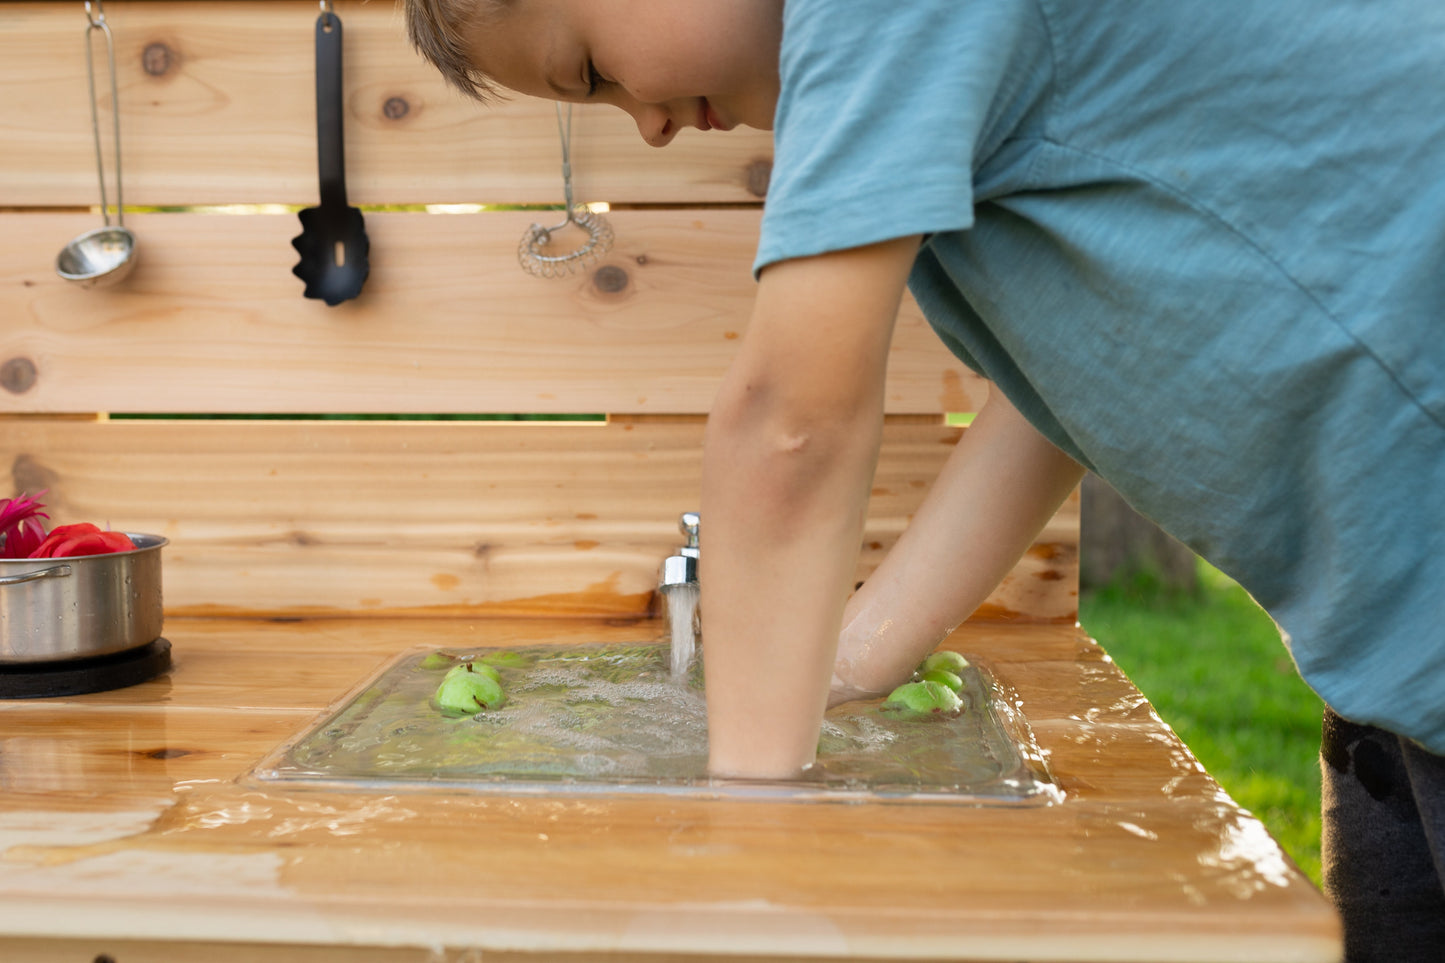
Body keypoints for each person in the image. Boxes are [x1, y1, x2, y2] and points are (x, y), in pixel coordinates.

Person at [400, 1, 1445, 957]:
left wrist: (743, 845)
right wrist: (850, 662)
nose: (649, 126)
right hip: (1392, 656)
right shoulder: (939, 68)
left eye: (591, 69)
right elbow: (1049, 406)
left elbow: (790, 428)